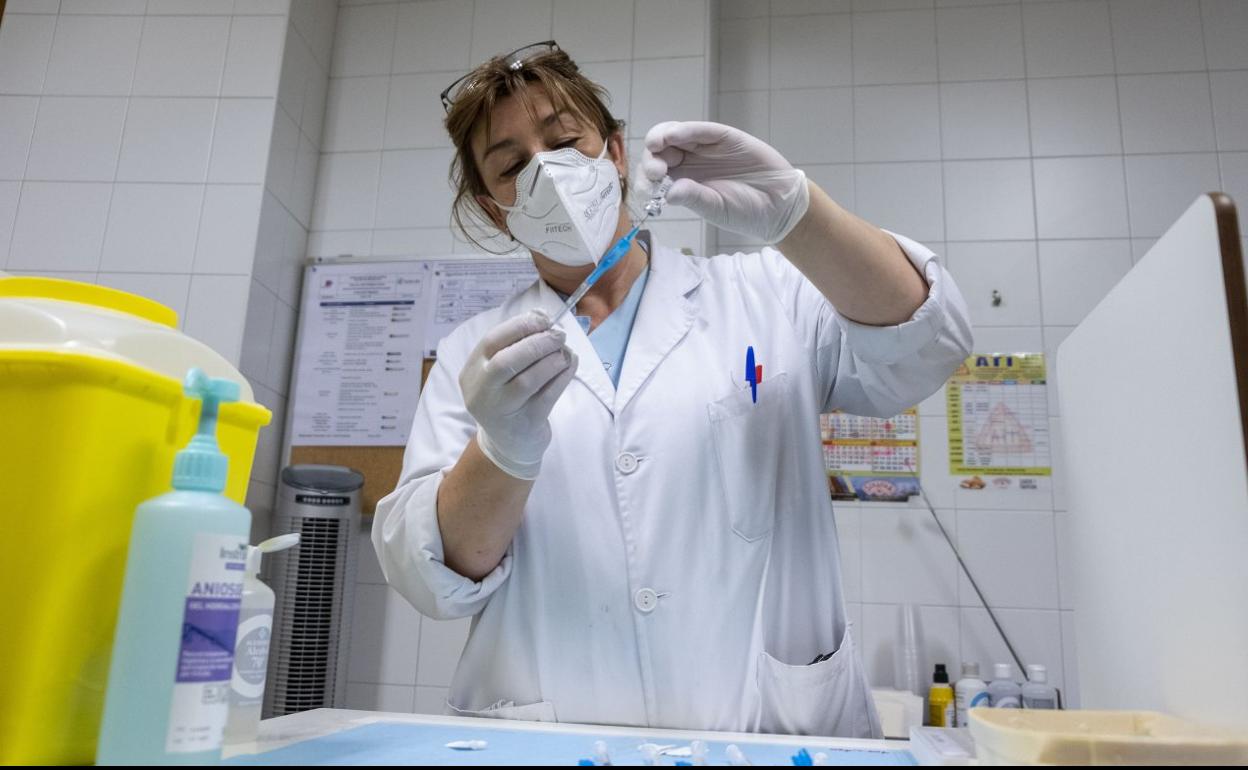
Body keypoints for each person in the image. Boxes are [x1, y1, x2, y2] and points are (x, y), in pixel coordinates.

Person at [373, 41, 972, 737]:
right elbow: (432, 576)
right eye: (512, 166)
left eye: (565, 141)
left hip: (767, 728)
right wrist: (501, 449)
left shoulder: (767, 294)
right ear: (495, 206)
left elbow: (926, 346)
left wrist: (801, 216)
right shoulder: (472, 355)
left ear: (617, 153)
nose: (548, 173)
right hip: (556, 733)